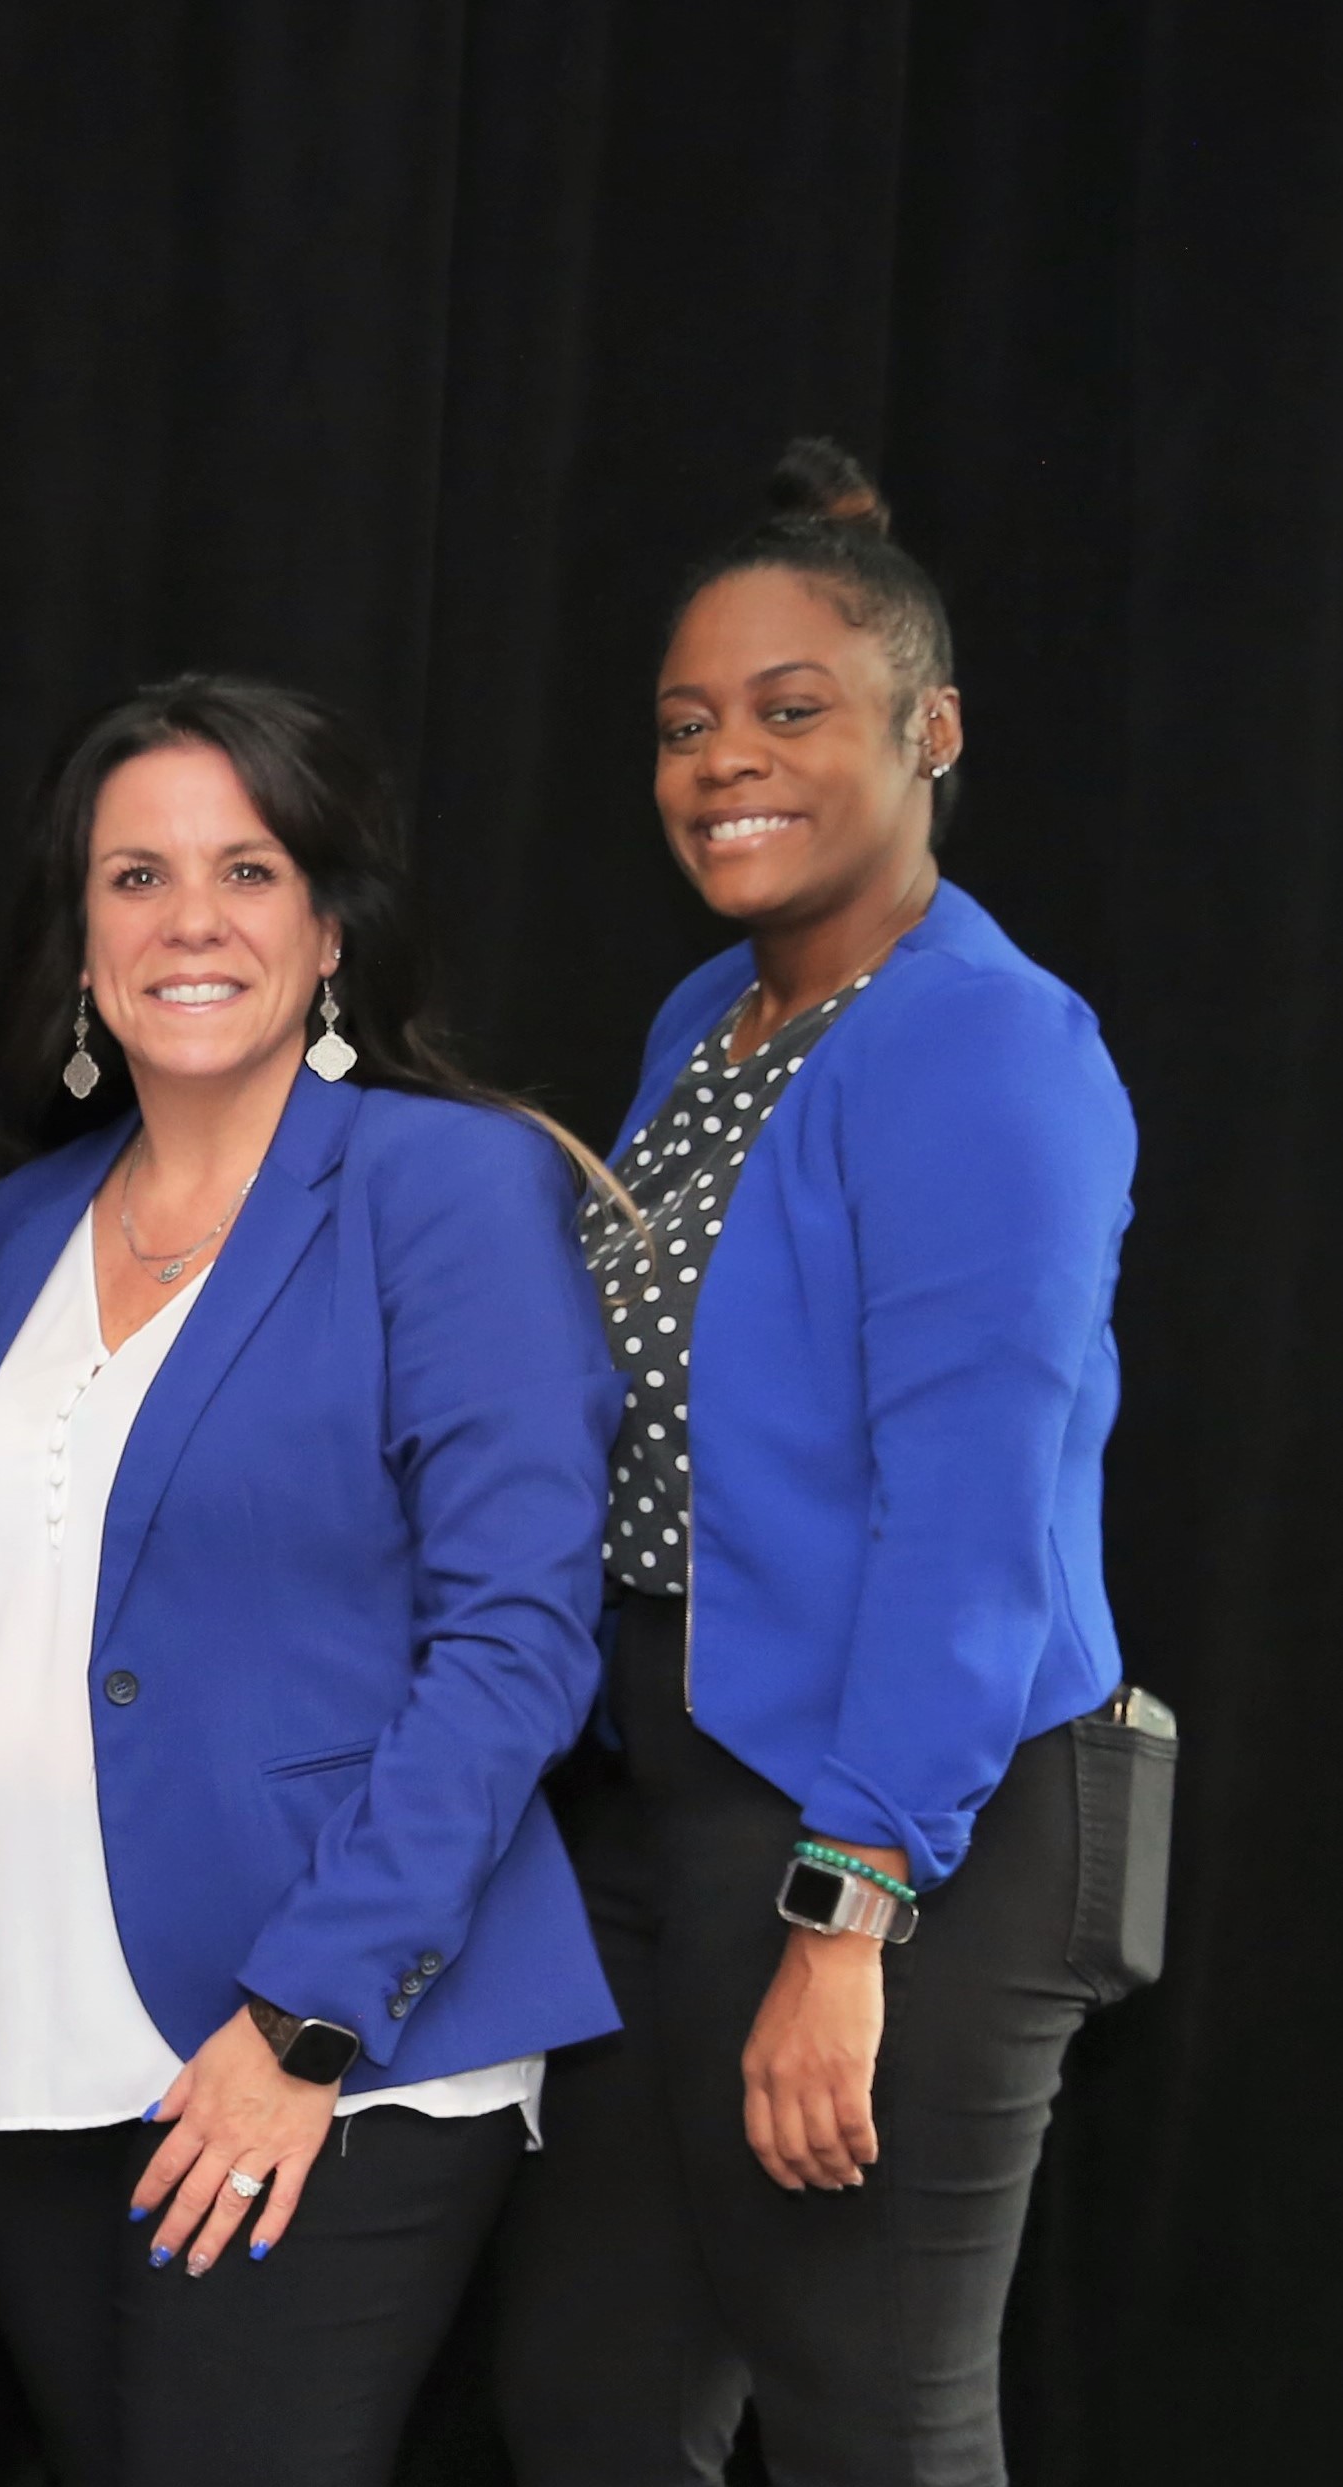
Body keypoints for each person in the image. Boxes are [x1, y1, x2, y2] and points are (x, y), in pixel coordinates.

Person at [0, 677, 623, 2480]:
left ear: (326, 930)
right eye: (133, 877)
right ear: (76, 943)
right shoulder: (3, 1236)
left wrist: (303, 2017)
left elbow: (518, 1641)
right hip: (14, 2034)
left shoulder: (442, 1190)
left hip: (319, 2036)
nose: (189, 919)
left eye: (247, 869)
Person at [492, 442, 1141, 2483]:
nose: (721, 762)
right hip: (673, 1798)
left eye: (788, 712)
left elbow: (968, 1526)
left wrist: (840, 1918)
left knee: (870, 2422)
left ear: (924, 731)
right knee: (592, 2405)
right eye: (685, 723)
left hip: (903, 1821)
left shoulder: (979, 1040)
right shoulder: (716, 1007)